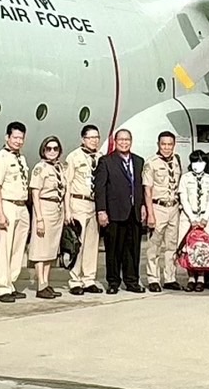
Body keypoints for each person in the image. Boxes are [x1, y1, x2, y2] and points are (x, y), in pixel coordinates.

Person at [95, 128, 147, 294]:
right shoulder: (106, 162)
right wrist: (101, 210)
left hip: (133, 212)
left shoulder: (138, 161)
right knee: (114, 249)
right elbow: (100, 188)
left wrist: (143, 205)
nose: (124, 143)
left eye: (127, 140)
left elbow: (141, 186)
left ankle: (132, 281)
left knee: (132, 250)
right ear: (115, 142)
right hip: (115, 212)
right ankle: (113, 282)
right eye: (121, 140)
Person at [0, 122, 32, 303]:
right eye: (15, 137)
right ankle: (1, 287)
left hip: (22, 206)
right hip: (7, 204)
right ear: (7, 137)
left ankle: (11, 282)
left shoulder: (21, 159)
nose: (18, 141)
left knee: (18, 248)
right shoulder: (1, 158)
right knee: (5, 247)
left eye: (21, 138)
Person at [63, 125, 107, 296]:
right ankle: (75, 280)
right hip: (78, 202)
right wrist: (67, 210)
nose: (94, 141)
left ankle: (89, 279)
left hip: (94, 204)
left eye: (96, 137)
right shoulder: (74, 157)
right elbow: (67, 185)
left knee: (92, 244)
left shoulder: (101, 157)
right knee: (77, 243)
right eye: (90, 138)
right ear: (83, 139)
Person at [141, 131, 185, 293]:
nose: (166, 148)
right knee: (154, 245)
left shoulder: (176, 160)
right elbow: (147, 190)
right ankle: (153, 278)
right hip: (158, 206)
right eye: (163, 144)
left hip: (173, 207)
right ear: (158, 145)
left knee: (172, 245)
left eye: (169, 144)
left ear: (174, 145)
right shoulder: (151, 163)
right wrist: (150, 213)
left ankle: (170, 277)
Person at [27, 136, 68, 298]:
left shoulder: (59, 168)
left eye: (55, 149)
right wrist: (39, 218)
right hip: (44, 207)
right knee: (41, 248)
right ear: (43, 150)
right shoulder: (40, 168)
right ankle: (41, 284)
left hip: (57, 209)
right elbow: (35, 193)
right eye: (48, 148)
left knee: (51, 248)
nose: (52, 152)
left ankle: (47, 282)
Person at [178, 150, 209, 291]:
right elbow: (183, 198)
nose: (198, 165)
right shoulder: (185, 178)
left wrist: (205, 217)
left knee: (202, 247)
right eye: (195, 161)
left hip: (204, 218)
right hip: (189, 217)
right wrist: (192, 218)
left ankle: (201, 277)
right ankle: (190, 278)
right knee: (189, 247)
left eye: (201, 162)